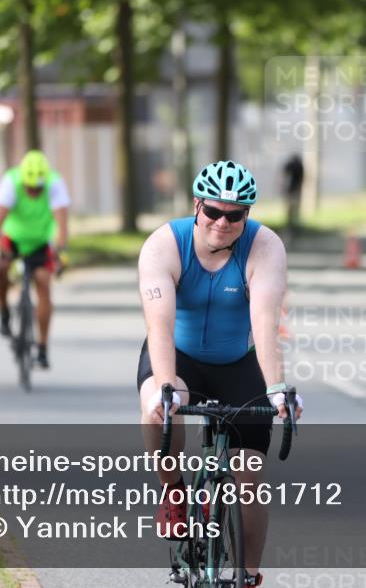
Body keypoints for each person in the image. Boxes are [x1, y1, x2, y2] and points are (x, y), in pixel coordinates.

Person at [137, 160, 303, 587]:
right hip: (179, 355)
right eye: (213, 212)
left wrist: (277, 390)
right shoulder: (163, 246)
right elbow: (160, 325)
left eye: (235, 215)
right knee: (158, 407)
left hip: (239, 364)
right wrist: (167, 386)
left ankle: (248, 575)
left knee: (250, 477)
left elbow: (265, 322)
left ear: (247, 214)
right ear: (196, 205)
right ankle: (172, 488)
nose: (222, 223)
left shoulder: (265, 246)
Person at [0, 150, 70, 370]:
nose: (34, 192)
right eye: (30, 188)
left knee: (43, 282)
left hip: (40, 241)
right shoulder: (11, 181)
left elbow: (62, 226)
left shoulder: (55, 184)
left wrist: (61, 252)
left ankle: (42, 349)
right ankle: (4, 311)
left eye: (38, 188)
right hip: (13, 237)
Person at [281, 154, 305, 242]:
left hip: (292, 192)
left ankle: (292, 228)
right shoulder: (297, 167)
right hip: (293, 192)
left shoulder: (292, 167)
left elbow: (285, 178)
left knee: (291, 211)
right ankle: (292, 228)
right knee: (292, 211)